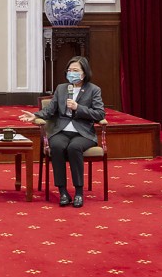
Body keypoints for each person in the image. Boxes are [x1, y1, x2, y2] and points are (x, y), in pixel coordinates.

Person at [19, 56, 105, 208]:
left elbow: (99, 114)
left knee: (74, 148)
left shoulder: (94, 90)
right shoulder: (61, 88)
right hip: (61, 130)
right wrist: (35, 115)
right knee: (57, 146)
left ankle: (79, 192)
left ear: (84, 73)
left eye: (76, 71)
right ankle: (63, 191)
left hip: (83, 133)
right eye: (69, 70)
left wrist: (78, 108)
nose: (72, 73)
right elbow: (50, 110)